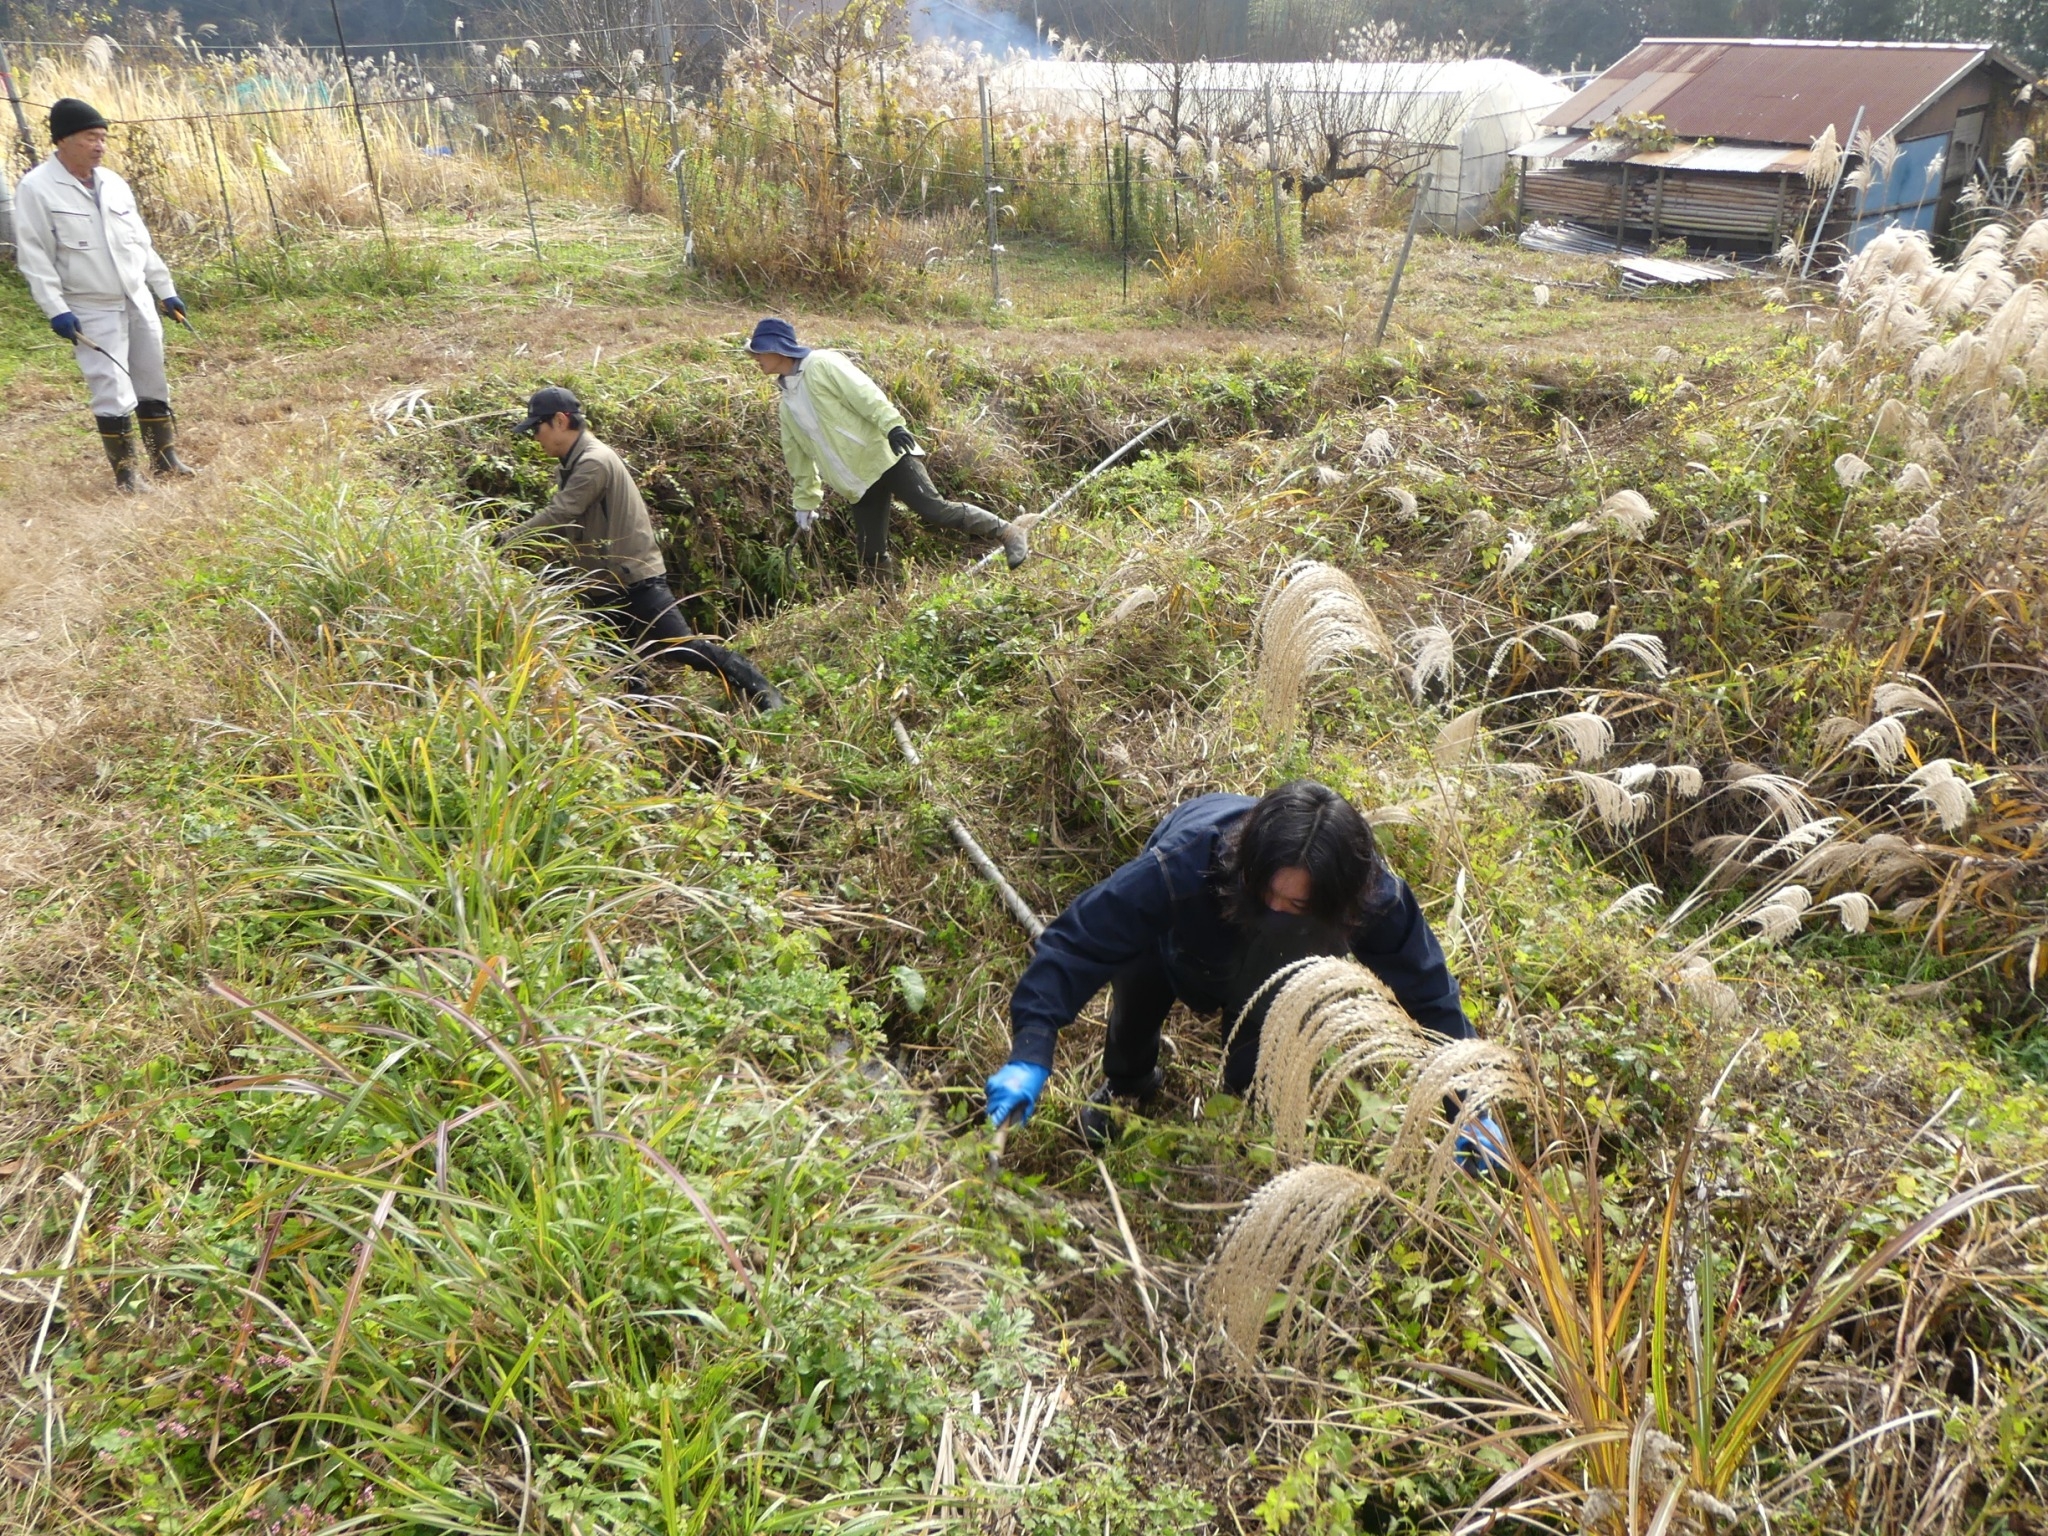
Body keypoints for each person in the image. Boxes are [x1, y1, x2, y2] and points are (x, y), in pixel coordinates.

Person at [985, 781, 1499, 1157]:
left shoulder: (1373, 900)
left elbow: (1429, 994)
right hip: (1178, 940)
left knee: (1260, 1033)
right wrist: (1032, 1045)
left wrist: (1470, 1105)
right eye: (1268, 892)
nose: (1278, 908)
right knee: (1136, 1005)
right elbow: (1081, 939)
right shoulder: (1186, 864)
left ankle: (1238, 1105)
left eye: (1296, 905)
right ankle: (1129, 1085)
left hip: (1281, 974)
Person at [500, 387, 784, 712]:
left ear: (561, 421)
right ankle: (640, 733)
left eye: (538, 428)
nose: (536, 437)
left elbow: (561, 513)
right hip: (604, 584)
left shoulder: (594, 461)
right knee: (621, 664)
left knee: (682, 648)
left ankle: (763, 691)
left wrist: (510, 537)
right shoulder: (570, 463)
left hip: (635, 578)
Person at [745, 317, 1029, 580]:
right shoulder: (787, 403)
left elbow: (865, 394)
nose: (755, 359)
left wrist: (893, 426)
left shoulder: (822, 364)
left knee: (935, 511)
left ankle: (1008, 531)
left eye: (759, 352)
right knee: (870, 551)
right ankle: (886, 607)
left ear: (777, 350)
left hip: (885, 456)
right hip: (856, 480)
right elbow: (798, 457)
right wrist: (805, 501)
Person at [14, 97, 196, 493]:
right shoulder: (37, 189)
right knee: (110, 385)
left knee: (151, 377)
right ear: (63, 140)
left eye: (102, 138)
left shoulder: (114, 184)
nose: (99, 145)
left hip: (136, 297)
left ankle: (165, 459)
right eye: (90, 138)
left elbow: (140, 243)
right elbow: (34, 256)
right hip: (89, 304)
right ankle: (127, 475)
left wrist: (165, 290)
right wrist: (56, 310)